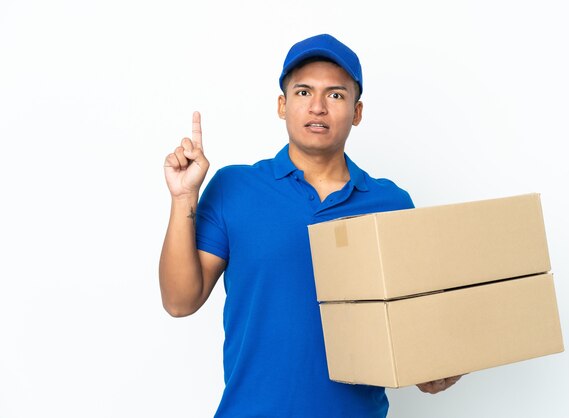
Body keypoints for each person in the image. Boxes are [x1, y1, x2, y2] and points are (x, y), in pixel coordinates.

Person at [160, 33, 462, 418]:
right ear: (283, 105)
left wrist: (437, 369)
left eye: (336, 95)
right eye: (303, 93)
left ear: (357, 111)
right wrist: (183, 198)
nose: (317, 107)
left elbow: (414, 341)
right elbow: (179, 301)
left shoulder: (392, 204)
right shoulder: (234, 187)